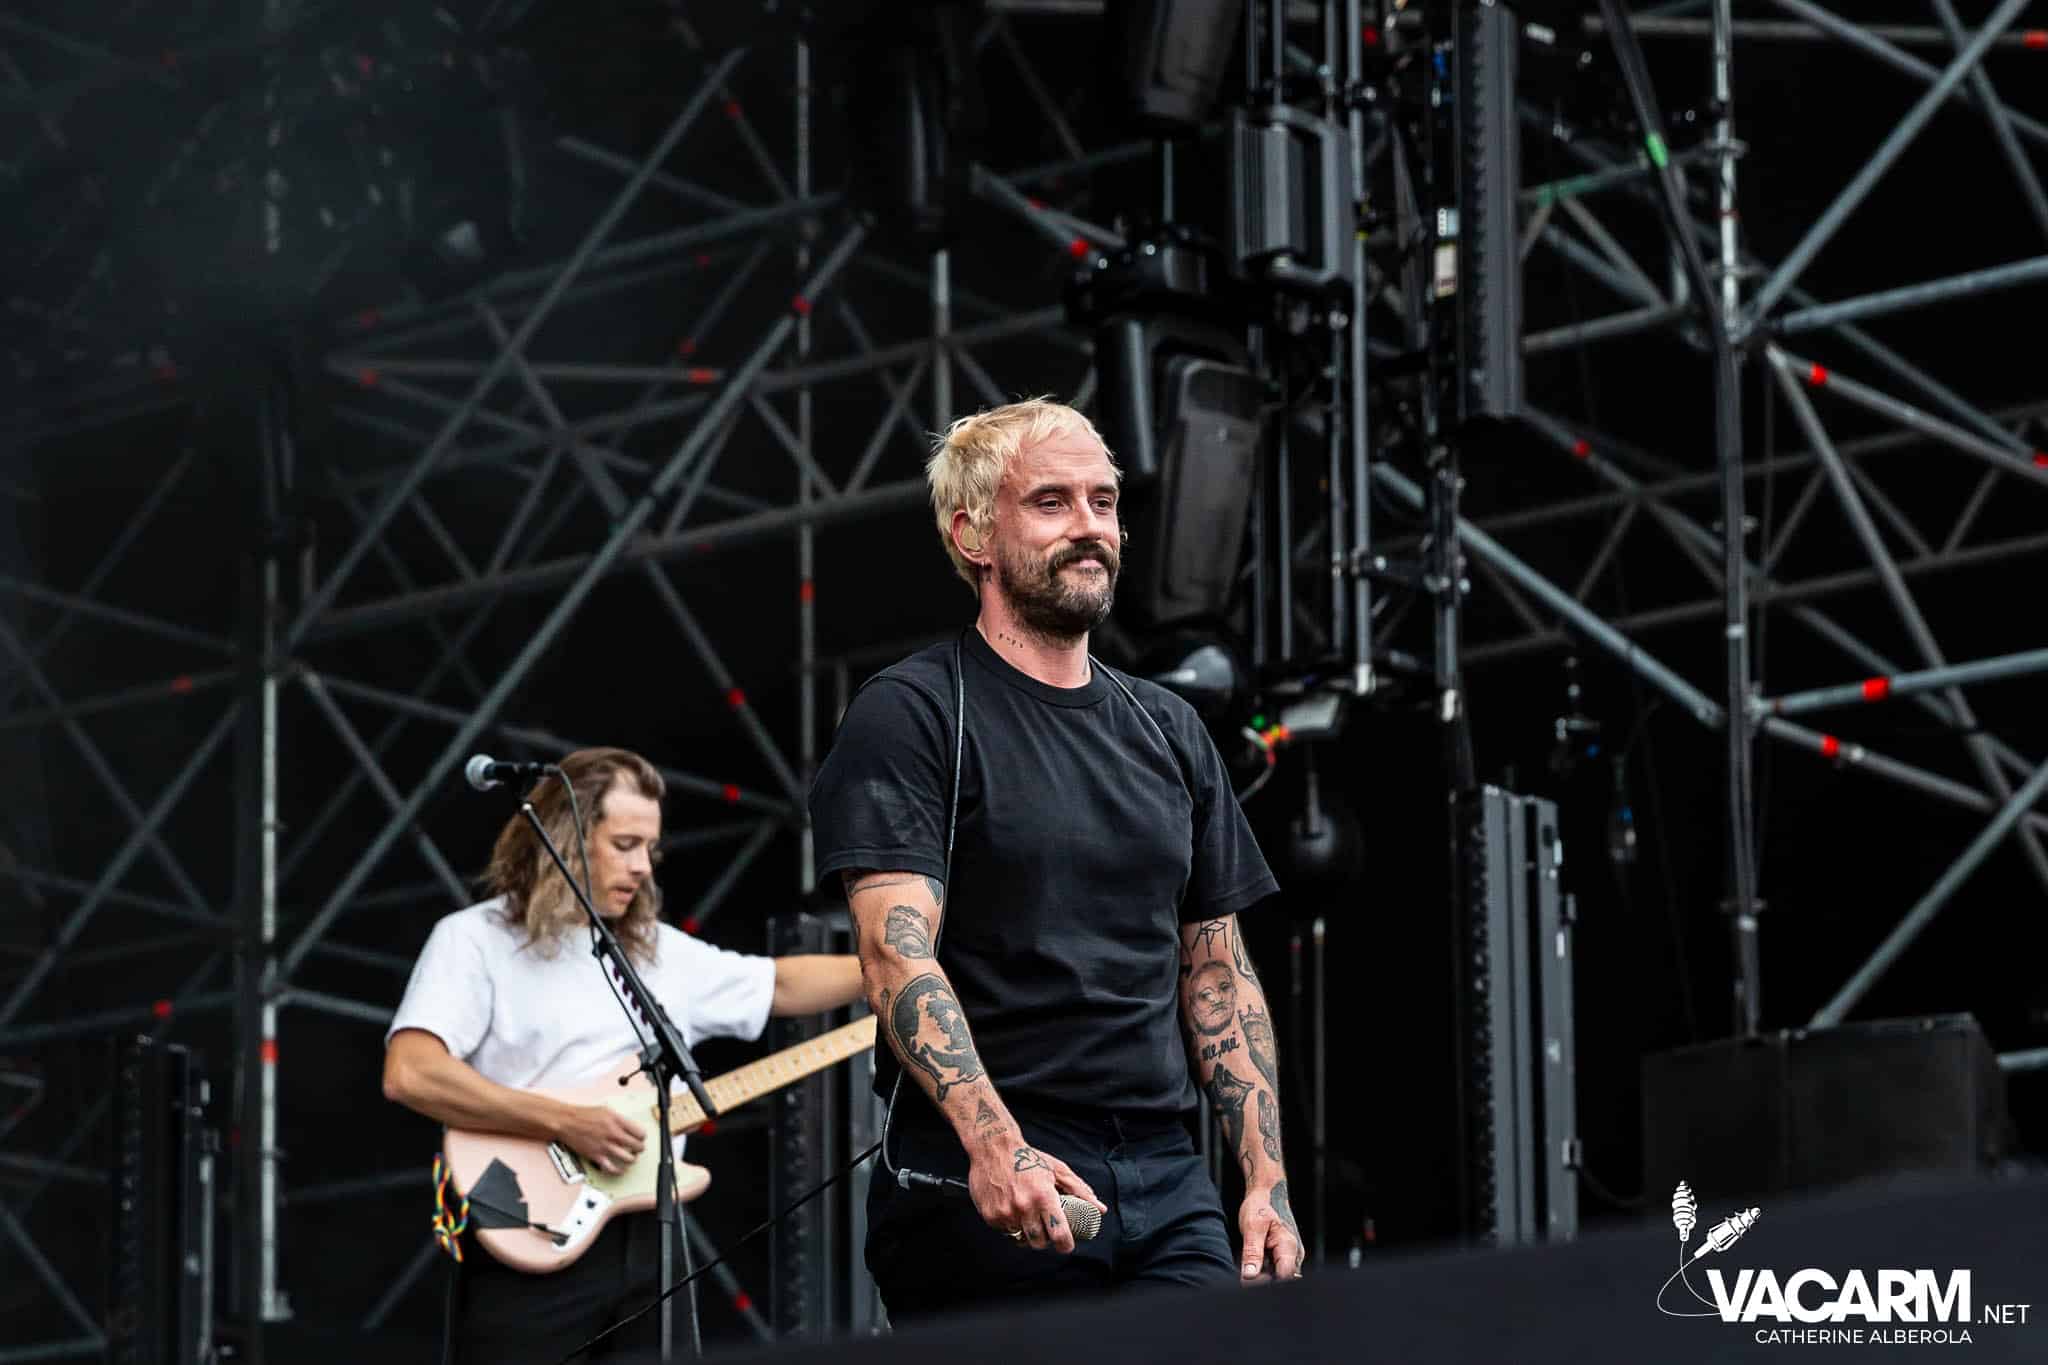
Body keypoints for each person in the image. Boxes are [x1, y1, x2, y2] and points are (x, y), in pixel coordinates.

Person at [809, 398, 1300, 1323]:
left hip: (1165, 1173)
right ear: (973, 535)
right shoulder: (914, 712)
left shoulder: (1168, 728)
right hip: (988, 1163)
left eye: (1103, 501)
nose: (1090, 526)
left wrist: (1264, 1180)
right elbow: (895, 954)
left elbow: (1217, 972)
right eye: (1051, 502)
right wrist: (995, 1144)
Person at [383, 746, 862, 1363]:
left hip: (651, 1238)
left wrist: (900, 971)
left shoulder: (656, 952)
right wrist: (563, 1121)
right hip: (527, 1231)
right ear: (566, 839)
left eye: (650, 850)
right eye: (625, 844)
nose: (642, 868)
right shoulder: (475, 940)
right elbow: (411, 1072)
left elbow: (782, 984)